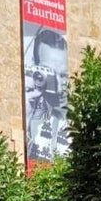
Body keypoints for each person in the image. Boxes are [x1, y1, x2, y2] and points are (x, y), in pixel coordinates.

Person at [23, 28, 71, 163]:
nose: (58, 84)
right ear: (35, 67)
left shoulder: (77, 116)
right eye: (50, 73)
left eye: (63, 76)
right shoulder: (28, 106)